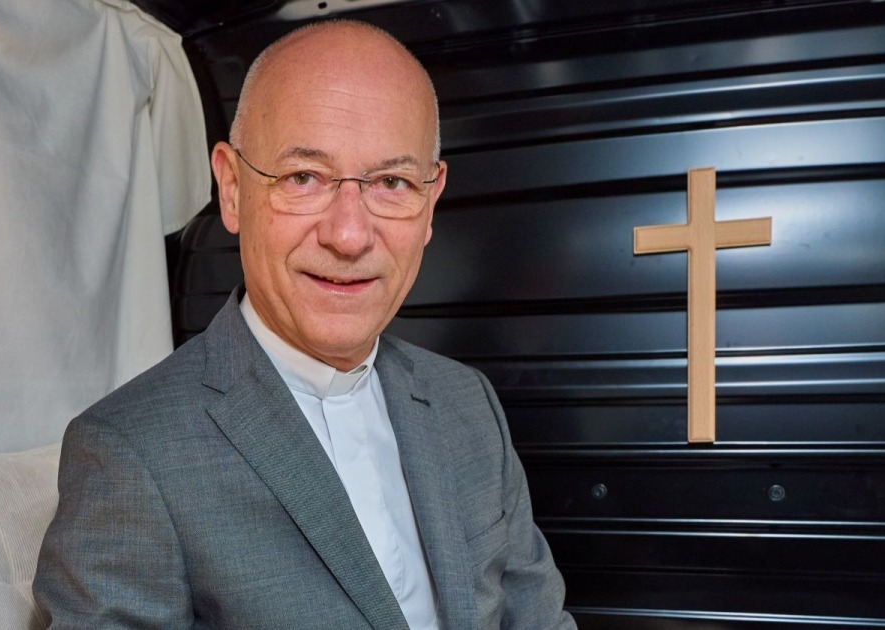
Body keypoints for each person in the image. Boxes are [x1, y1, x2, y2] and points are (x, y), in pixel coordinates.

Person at [33, 19, 574, 629]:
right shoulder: (130, 454)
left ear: (430, 204)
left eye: (392, 182)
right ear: (231, 189)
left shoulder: (468, 403)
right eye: (303, 177)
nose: (349, 235)